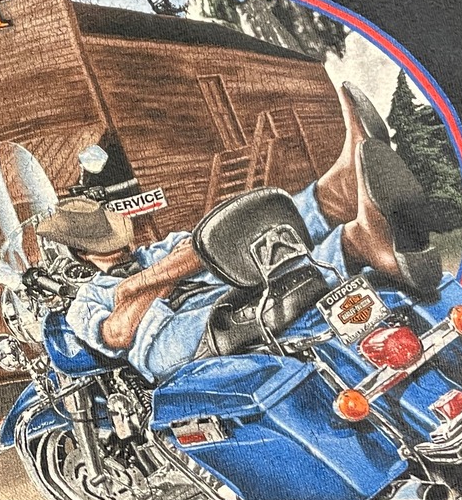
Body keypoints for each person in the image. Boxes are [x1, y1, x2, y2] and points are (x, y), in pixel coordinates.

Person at [36, 84, 441, 384]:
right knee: (241, 294)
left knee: (233, 244)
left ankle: (334, 195)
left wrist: (138, 285)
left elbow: (204, 249)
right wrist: (155, 280)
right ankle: (354, 243)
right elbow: (120, 333)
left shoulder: (153, 252)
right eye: (100, 236)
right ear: (81, 253)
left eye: (111, 225)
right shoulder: (86, 300)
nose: (115, 236)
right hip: (167, 344)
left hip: (217, 296)